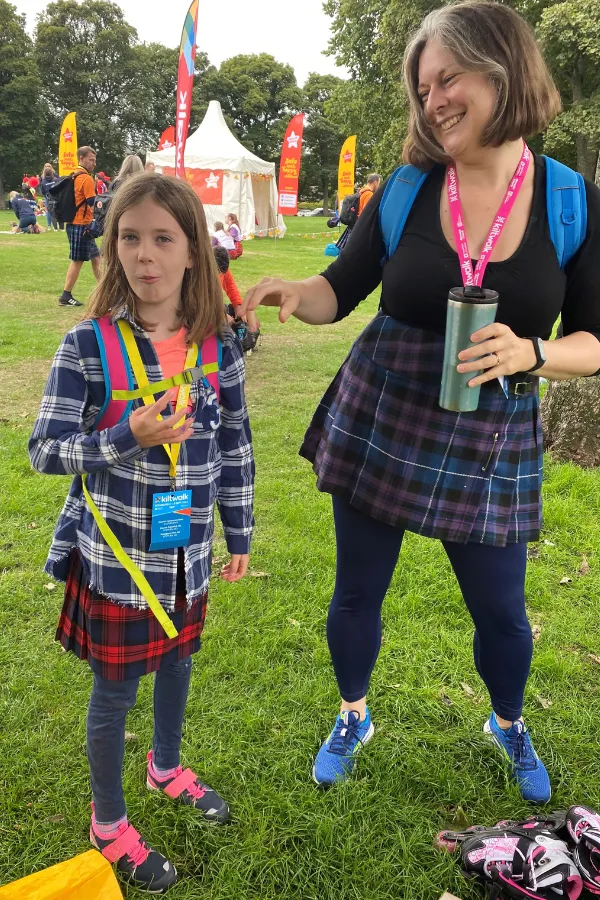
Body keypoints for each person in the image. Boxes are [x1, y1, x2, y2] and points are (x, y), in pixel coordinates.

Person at [241, 0, 600, 803]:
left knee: (503, 612)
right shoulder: (406, 187)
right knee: (357, 589)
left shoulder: (572, 201)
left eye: (448, 79)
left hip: (493, 423)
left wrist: (533, 351)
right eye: (422, 86)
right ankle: (353, 714)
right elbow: (342, 288)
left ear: (501, 70)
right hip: (386, 408)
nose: (432, 99)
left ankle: (507, 720)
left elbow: (593, 341)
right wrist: (295, 292)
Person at [29, 172, 255, 893]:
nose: (145, 255)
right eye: (130, 237)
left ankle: (164, 767)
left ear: (195, 252)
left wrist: (240, 533)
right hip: (119, 563)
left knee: (181, 664)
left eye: (164, 238)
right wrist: (123, 435)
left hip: (188, 557)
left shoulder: (218, 348)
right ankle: (109, 823)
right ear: (112, 247)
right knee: (115, 692)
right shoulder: (85, 347)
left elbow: (237, 446)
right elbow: (45, 450)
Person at [58, 146, 101, 308]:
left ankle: (106, 291)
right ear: (81, 158)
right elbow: (92, 203)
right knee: (77, 260)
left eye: (95, 160)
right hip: (81, 224)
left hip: (75, 223)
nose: (94, 163)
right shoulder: (86, 178)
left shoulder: (73, 175)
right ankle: (65, 295)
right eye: (91, 160)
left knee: (96, 259)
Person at [40, 163, 60, 230]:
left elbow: (41, 187)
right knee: (53, 210)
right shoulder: (54, 176)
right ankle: (52, 225)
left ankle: (51, 225)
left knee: (50, 210)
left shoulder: (43, 177)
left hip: (48, 196)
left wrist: (45, 194)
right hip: (54, 195)